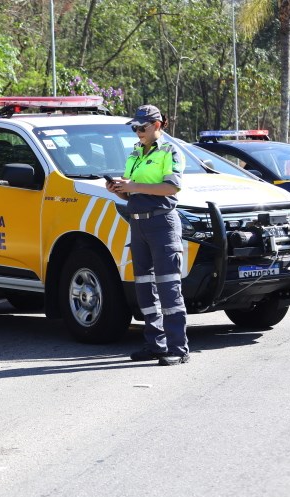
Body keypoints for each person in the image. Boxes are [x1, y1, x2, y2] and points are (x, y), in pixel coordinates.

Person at [106, 105, 189, 366]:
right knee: (144, 287)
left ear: (157, 125)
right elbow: (130, 191)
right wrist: (119, 189)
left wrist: (134, 186)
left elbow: (171, 187)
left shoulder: (170, 150)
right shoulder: (135, 152)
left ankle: (178, 349)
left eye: (142, 127)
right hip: (138, 224)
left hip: (162, 223)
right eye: (135, 128)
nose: (138, 132)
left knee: (168, 288)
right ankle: (156, 344)